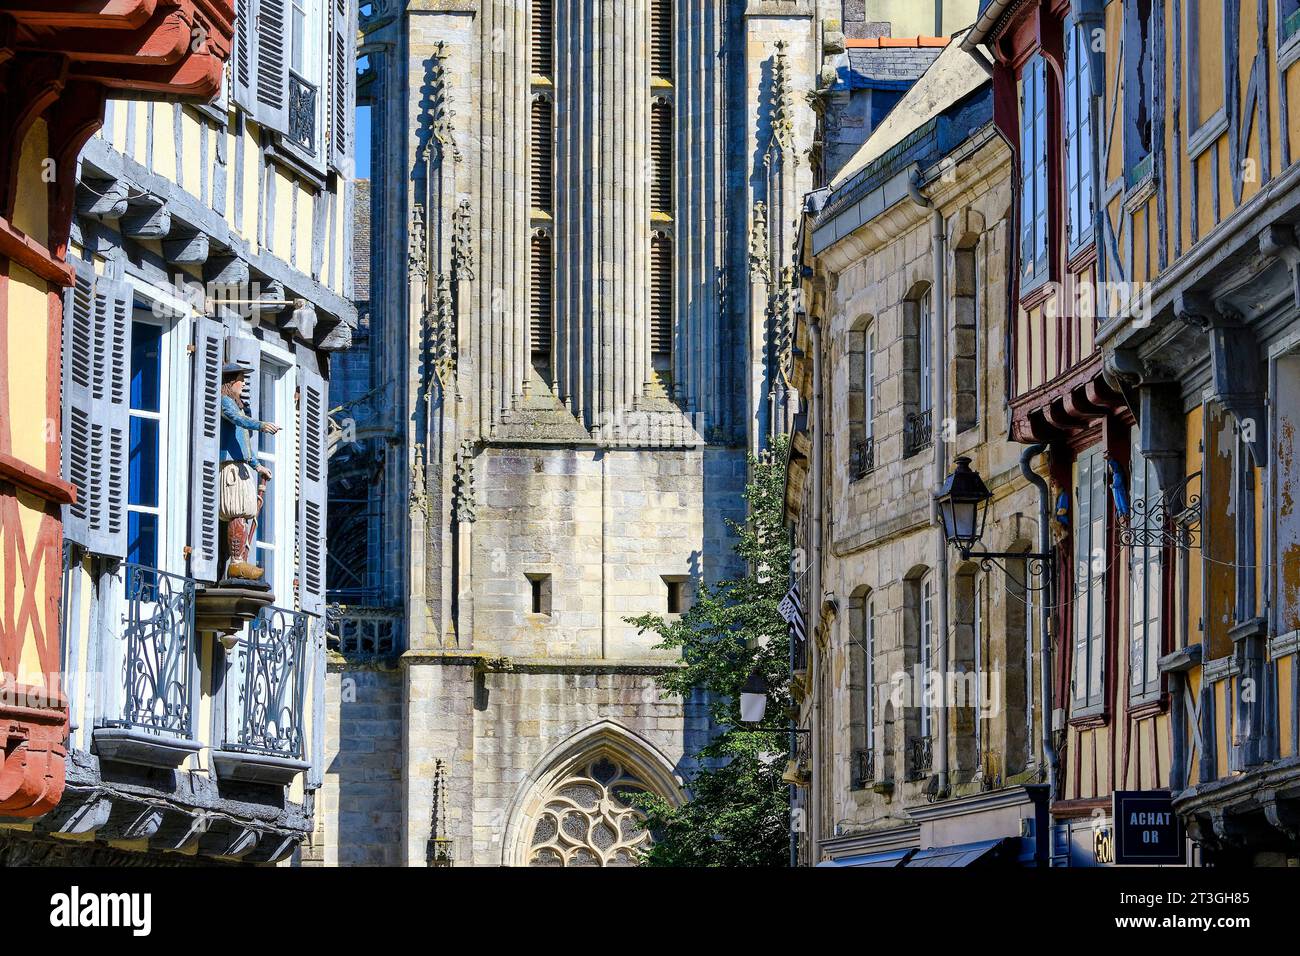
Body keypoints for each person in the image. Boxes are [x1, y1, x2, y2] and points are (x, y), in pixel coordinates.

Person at [220, 363, 280, 581]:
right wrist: (261, 425)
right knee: (236, 511)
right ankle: (236, 563)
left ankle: (240, 561)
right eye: (240, 380)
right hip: (231, 467)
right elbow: (238, 421)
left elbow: (243, 443)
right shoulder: (225, 402)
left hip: (242, 465)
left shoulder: (237, 405)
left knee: (245, 514)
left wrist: (257, 465)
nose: (243, 384)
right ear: (230, 382)